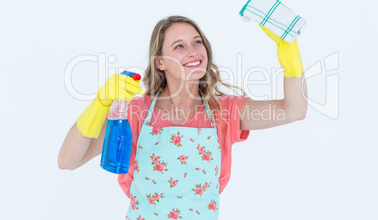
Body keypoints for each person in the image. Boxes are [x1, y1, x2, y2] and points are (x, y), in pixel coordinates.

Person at [58, 15, 307, 219]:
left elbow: (293, 110)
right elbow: (68, 160)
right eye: (179, 46)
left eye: (197, 42)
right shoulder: (136, 112)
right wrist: (100, 104)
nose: (192, 51)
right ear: (160, 63)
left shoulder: (225, 112)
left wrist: (291, 59)